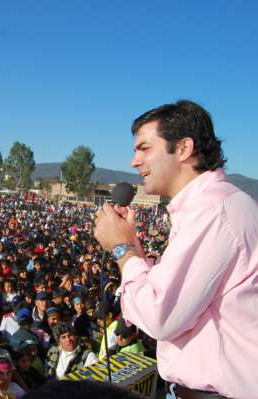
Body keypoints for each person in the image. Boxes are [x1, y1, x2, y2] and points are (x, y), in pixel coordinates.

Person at [94, 100, 258, 398]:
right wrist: (134, 249)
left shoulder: (213, 211)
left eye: (144, 148)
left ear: (183, 148)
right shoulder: (209, 207)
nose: (134, 161)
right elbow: (167, 295)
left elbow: (160, 316)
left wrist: (121, 249)